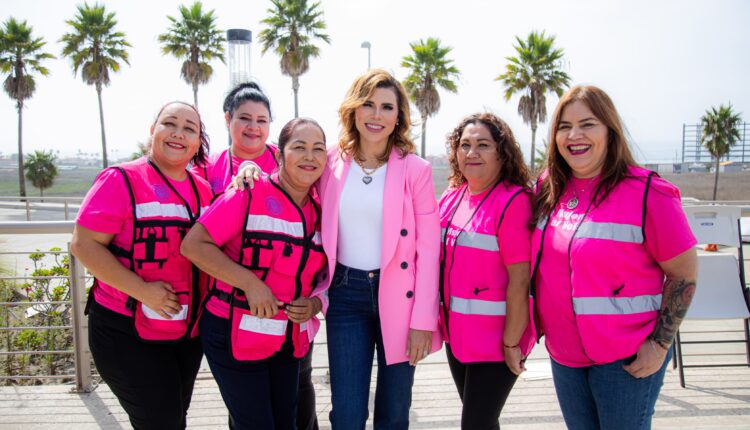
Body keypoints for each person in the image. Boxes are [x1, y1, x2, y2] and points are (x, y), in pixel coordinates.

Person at [232, 69, 442, 429]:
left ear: (398, 117)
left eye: (387, 107)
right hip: (345, 295)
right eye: (368, 105)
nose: (377, 115)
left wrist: (424, 320)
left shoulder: (416, 170)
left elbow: (429, 248)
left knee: (393, 412)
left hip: (401, 299)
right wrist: (251, 165)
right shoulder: (330, 161)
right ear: (354, 111)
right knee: (346, 413)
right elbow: (289, 173)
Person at [531, 85, 698, 430]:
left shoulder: (650, 193)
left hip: (626, 359)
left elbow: (684, 274)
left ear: (610, 130)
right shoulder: (548, 189)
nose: (574, 135)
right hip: (564, 357)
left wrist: (660, 344)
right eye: (564, 126)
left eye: (587, 124)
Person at [70, 101, 214, 429]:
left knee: (174, 417)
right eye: (169, 124)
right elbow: (83, 244)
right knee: (161, 421)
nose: (178, 133)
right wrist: (143, 291)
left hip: (185, 333)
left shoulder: (202, 190)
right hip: (126, 332)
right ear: (153, 131)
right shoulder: (120, 180)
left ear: (197, 142)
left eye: (189, 128)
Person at [181, 118, 329, 430]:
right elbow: (194, 245)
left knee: (286, 423)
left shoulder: (322, 209)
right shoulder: (248, 193)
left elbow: (326, 274)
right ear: (280, 155)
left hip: (285, 340)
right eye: (299, 147)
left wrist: (315, 304)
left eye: (318, 149)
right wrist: (250, 283)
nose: (310, 156)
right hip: (232, 332)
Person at [439, 113, 535, 429]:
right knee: (481, 421)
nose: (472, 153)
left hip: (496, 342)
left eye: (483, 145)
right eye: (464, 145)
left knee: (476, 424)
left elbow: (520, 280)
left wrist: (511, 343)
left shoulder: (514, 201)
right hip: (458, 337)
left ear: (501, 152)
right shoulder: (453, 196)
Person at [194, 81, 278, 195]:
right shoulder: (205, 167)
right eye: (244, 118)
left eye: (261, 120)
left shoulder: (285, 160)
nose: (253, 127)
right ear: (228, 119)